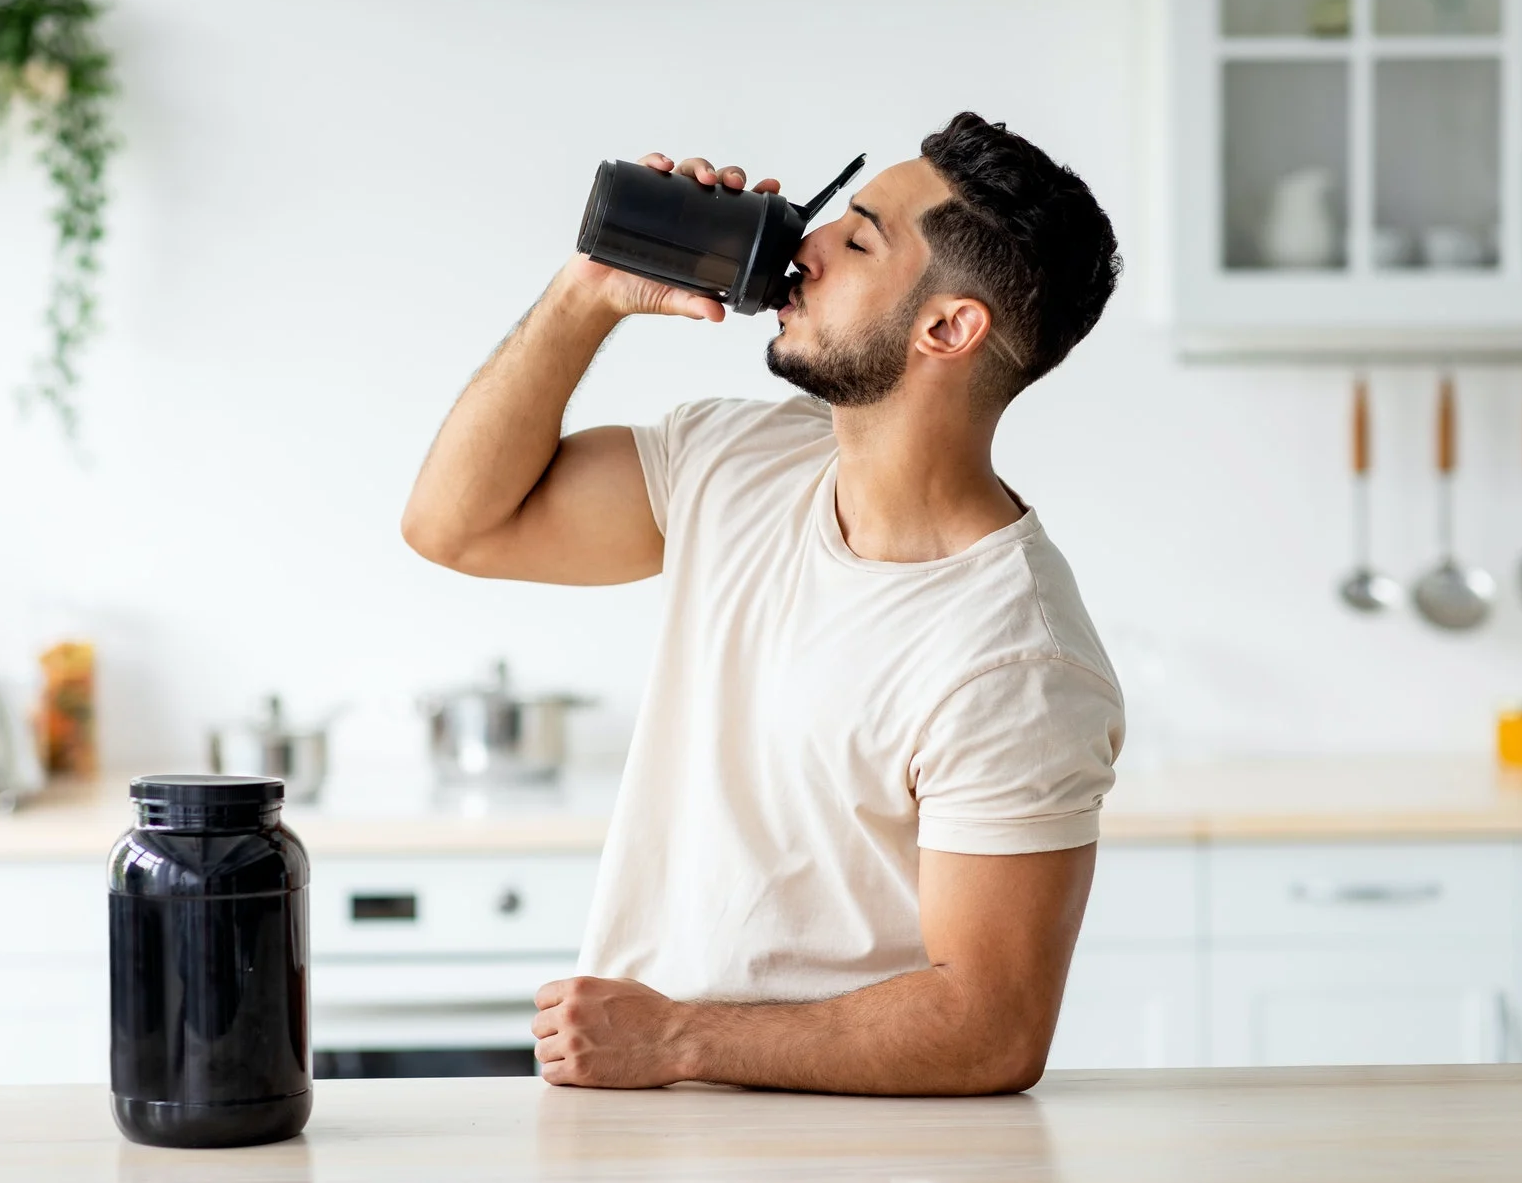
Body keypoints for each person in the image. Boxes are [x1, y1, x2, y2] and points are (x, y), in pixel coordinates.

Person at [401, 112, 1125, 1095]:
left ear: (946, 327)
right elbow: (457, 525)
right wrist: (591, 293)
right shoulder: (737, 463)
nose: (805, 242)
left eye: (858, 237)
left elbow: (985, 1026)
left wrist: (675, 1039)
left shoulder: (1016, 657)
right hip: (647, 1127)